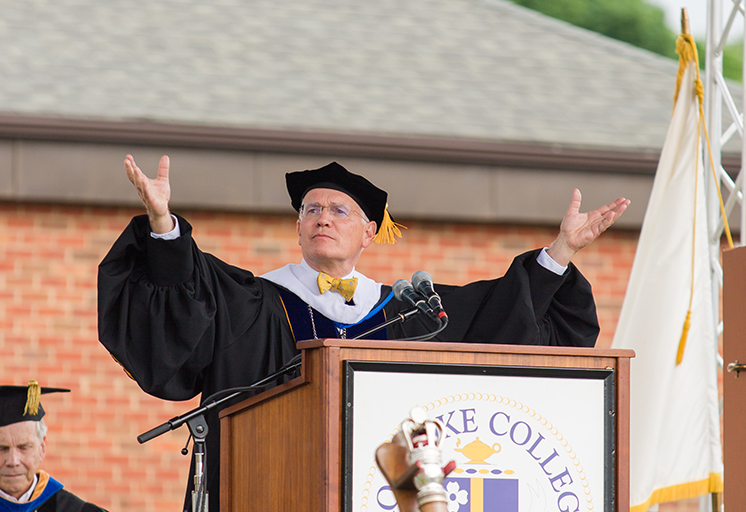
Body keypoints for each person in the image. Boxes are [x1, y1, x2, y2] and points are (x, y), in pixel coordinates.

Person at [97, 155, 629, 511]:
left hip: (382, 492)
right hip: (271, 489)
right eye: (311, 210)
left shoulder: (411, 311)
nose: (322, 218)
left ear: (370, 230)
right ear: (298, 226)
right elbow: (183, 291)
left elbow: (500, 317)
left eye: (338, 210)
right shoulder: (251, 300)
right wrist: (163, 222)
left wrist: (560, 253)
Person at [0, 381, 107, 512]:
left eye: (24, 447)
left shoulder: (74, 509)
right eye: (1, 448)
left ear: (42, 447)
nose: (13, 461)